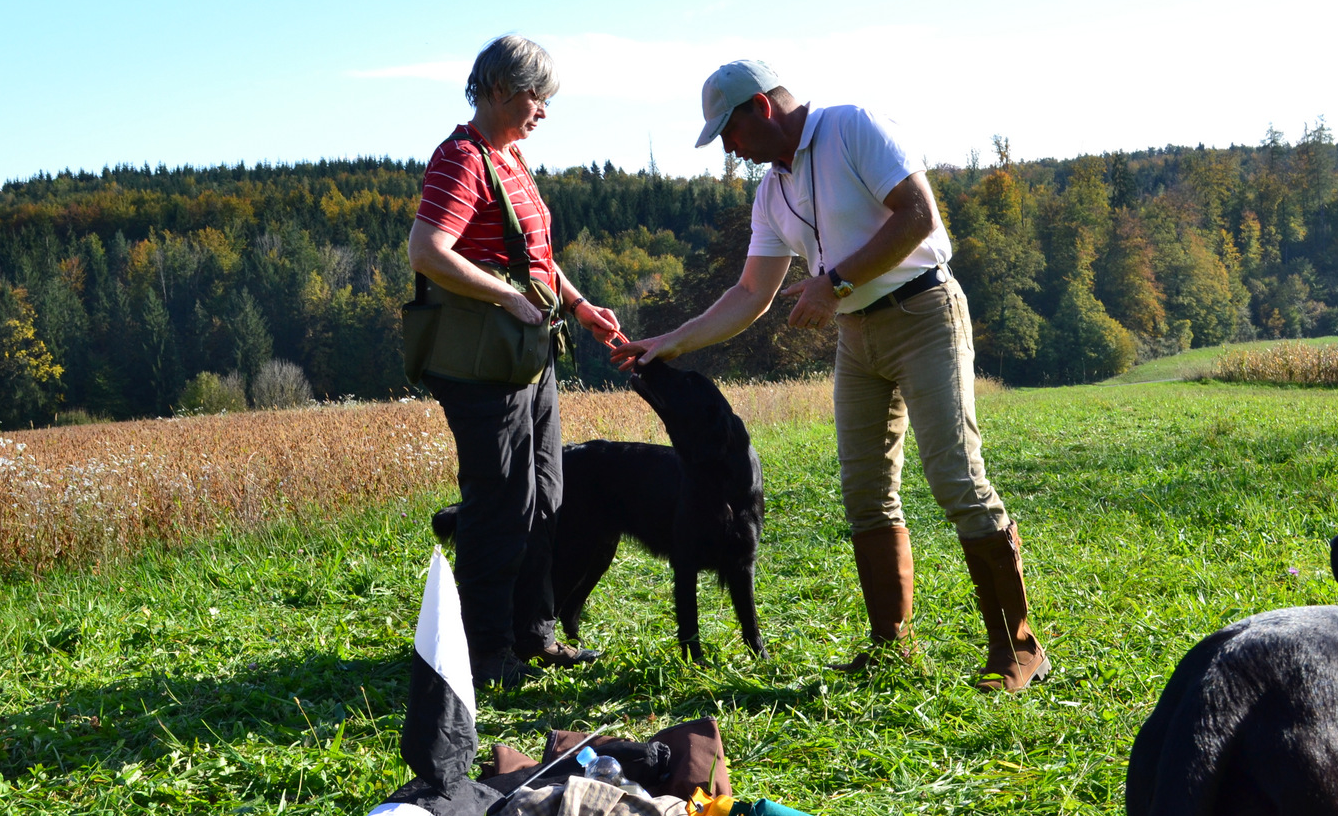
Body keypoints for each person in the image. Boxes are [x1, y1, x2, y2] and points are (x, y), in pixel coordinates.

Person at [611, 60, 1049, 692]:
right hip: (857, 335)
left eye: (728, 133)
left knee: (956, 478)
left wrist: (836, 281)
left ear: (760, 108)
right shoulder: (771, 192)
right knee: (865, 492)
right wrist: (671, 342)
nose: (729, 151)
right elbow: (749, 293)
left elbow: (919, 215)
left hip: (924, 311)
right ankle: (890, 647)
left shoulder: (854, 128)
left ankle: (1019, 650)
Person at [408, 34, 623, 689]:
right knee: (497, 503)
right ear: (500, 89)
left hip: (529, 358)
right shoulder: (461, 159)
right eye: (537, 96)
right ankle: (486, 651)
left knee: (546, 494)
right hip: (481, 366)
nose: (544, 110)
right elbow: (427, 248)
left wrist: (580, 306)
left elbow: (538, 258)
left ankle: (534, 635)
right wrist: (505, 294)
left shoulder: (510, 157)